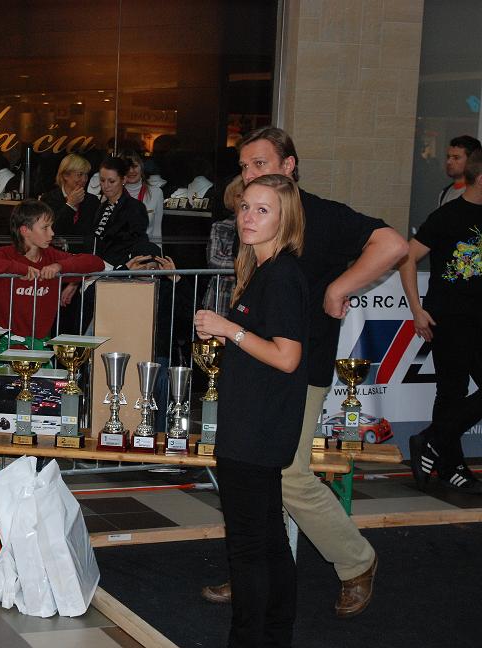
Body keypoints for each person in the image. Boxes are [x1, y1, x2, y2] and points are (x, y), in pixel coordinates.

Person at [201, 126, 407, 617]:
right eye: (244, 167)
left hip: (300, 367)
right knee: (259, 472)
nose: (250, 175)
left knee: (288, 473)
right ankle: (253, 570)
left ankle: (354, 560)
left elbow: (393, 244)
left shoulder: (322, 215)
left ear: (289, 166)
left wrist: (338, 288)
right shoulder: (256, 228)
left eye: (260, 164)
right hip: (262, 371)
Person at [195, 173, 309, 648]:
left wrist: (229, 329)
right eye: (245, 207)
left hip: (255, 430)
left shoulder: (280, 275)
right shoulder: (266, 271)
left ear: (285, 219)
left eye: (263, 210)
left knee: (248, 546)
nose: (249, 217)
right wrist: (230, 333)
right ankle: (274, 636)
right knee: (268, 540)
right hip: (256, 424)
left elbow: (287, 356)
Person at [402, 149, 482, 492]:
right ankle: (450, 464)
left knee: (453, 394)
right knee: (452, 391)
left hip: (478, 318)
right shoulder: (447, 216)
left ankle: (431, 440)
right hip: (448, 317)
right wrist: (416, 309)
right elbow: (407, 257)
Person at [0, 199, 103, 355]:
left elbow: (96, 263)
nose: (52, 233)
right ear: (25, 230)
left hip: (40, 344)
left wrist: (60, 266)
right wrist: (19, 269)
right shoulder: (5, 255)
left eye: (51, 227)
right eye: (45, 228)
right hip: (5, 345)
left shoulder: (52, 257)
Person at [86, 156, 153, 267]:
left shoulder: (135, 207)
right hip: (97, 266)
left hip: (120, 268)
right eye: (102, 180)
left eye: (111, 181)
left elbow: (136, 243)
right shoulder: (100, 206)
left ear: (124, 180)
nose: (106, 185)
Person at [202, 174, 243, 316]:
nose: (242, 201)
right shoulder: (220, 227)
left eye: (246, 196)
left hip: (246, 300)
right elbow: (214, 261)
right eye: (238, 196)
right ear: (231, 199)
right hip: (219, 297)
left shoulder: (261, 229)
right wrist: (244, 266)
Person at [39, 153, 100, 238]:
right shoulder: (48, 199)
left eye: (86, 174)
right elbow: (52, 231)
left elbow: (92, 234)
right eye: (80, 174)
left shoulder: (93, 201)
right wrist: (70, 205)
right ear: (65, 175)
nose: (84, 179)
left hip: (83, 246)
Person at [118, 148, 166, 245]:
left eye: (135, 166)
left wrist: (157, 254)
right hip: (119, 252)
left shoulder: (156, 193)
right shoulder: (113, 194)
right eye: (127, 167)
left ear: (141, 166)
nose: (131, 171)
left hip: (145, 252)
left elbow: (157, 233)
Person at [438, 135, 481, 207]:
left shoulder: (478, 194)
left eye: (456, 158)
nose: (448, 162)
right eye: (448, 157)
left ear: (471, 160)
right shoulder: (444, 193)